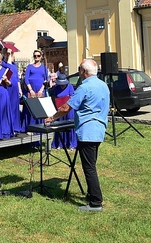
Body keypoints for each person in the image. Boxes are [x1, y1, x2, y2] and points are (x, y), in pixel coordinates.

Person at [45, 58, 108, 212]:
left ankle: (95, 202)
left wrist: (52, 117)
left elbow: (67, 107)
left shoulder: (84, 87)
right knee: (91, 164)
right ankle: (91, 194)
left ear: (83, 72)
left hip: (87, 131)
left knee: (89, 168)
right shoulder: (103, 85)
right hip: (99, 130)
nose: (78, 71)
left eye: (79, 68)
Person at [49, 63, 76, 149]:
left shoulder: (70, 87)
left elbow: (72, 97)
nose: (62, 85)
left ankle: (71, 144)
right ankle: (59, 143)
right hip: (59, 109)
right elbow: (54, 97)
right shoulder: (56, 88)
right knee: (59, 126)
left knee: (69, 126)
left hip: (68, 109)